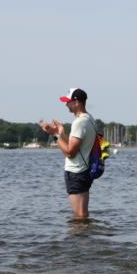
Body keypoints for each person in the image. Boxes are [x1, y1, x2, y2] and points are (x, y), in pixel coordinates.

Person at [39, 88, 98, 220]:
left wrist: (54, 135)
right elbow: (73, 145)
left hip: (77, 172)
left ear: (76, 102)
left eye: (68, 101)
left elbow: (70, 152)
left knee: (80, 215)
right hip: (83, 170)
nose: (66, 105)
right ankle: (85, 238)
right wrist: (60, 132)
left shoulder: (80, 122)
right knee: (82, 214)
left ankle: (80, 239)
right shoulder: (89, 118)